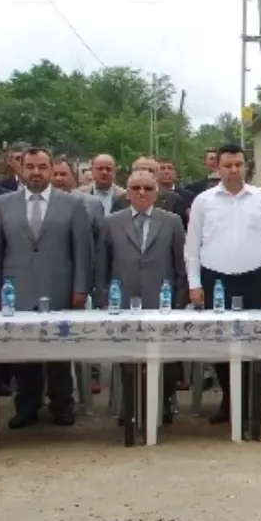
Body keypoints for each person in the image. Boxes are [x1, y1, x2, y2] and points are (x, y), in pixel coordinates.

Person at [184, 143, 261, 426]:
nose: (233, 170)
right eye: (227, 165)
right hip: (215, 278)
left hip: (256, 277)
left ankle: (254, 403)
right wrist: (194, 283)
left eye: (238, 164)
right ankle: (229, 403)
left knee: (254, 342)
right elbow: (192, 247)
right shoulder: (204, 201)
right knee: (222, 344)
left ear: (245, 166)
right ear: (218, 167)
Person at [0, 146, 92, 428]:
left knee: (60, 351)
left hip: (59, 287)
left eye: (42, 167)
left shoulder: (73, 204)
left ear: (51, 170)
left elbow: (82, 251)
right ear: (21, 169)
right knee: (24, 352)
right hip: (17, 289)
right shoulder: (3, 204)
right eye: (30, 167)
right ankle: (27, 406)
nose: (36, 172)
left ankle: (62, 404)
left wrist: (81, 288)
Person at [94, 169, 188, 423]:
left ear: (156, 193)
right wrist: (104, 300)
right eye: (136, 188)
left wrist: (179, 302)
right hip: (123, 303)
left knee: (166, 361)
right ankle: (130, 405)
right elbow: (102, 266)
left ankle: (163, 402)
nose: (142, 193)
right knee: (129, 360)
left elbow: (181, 266)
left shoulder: (172, 222)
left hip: (163, 303)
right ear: (127, 193)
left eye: (148, 188)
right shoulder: (111, 222)